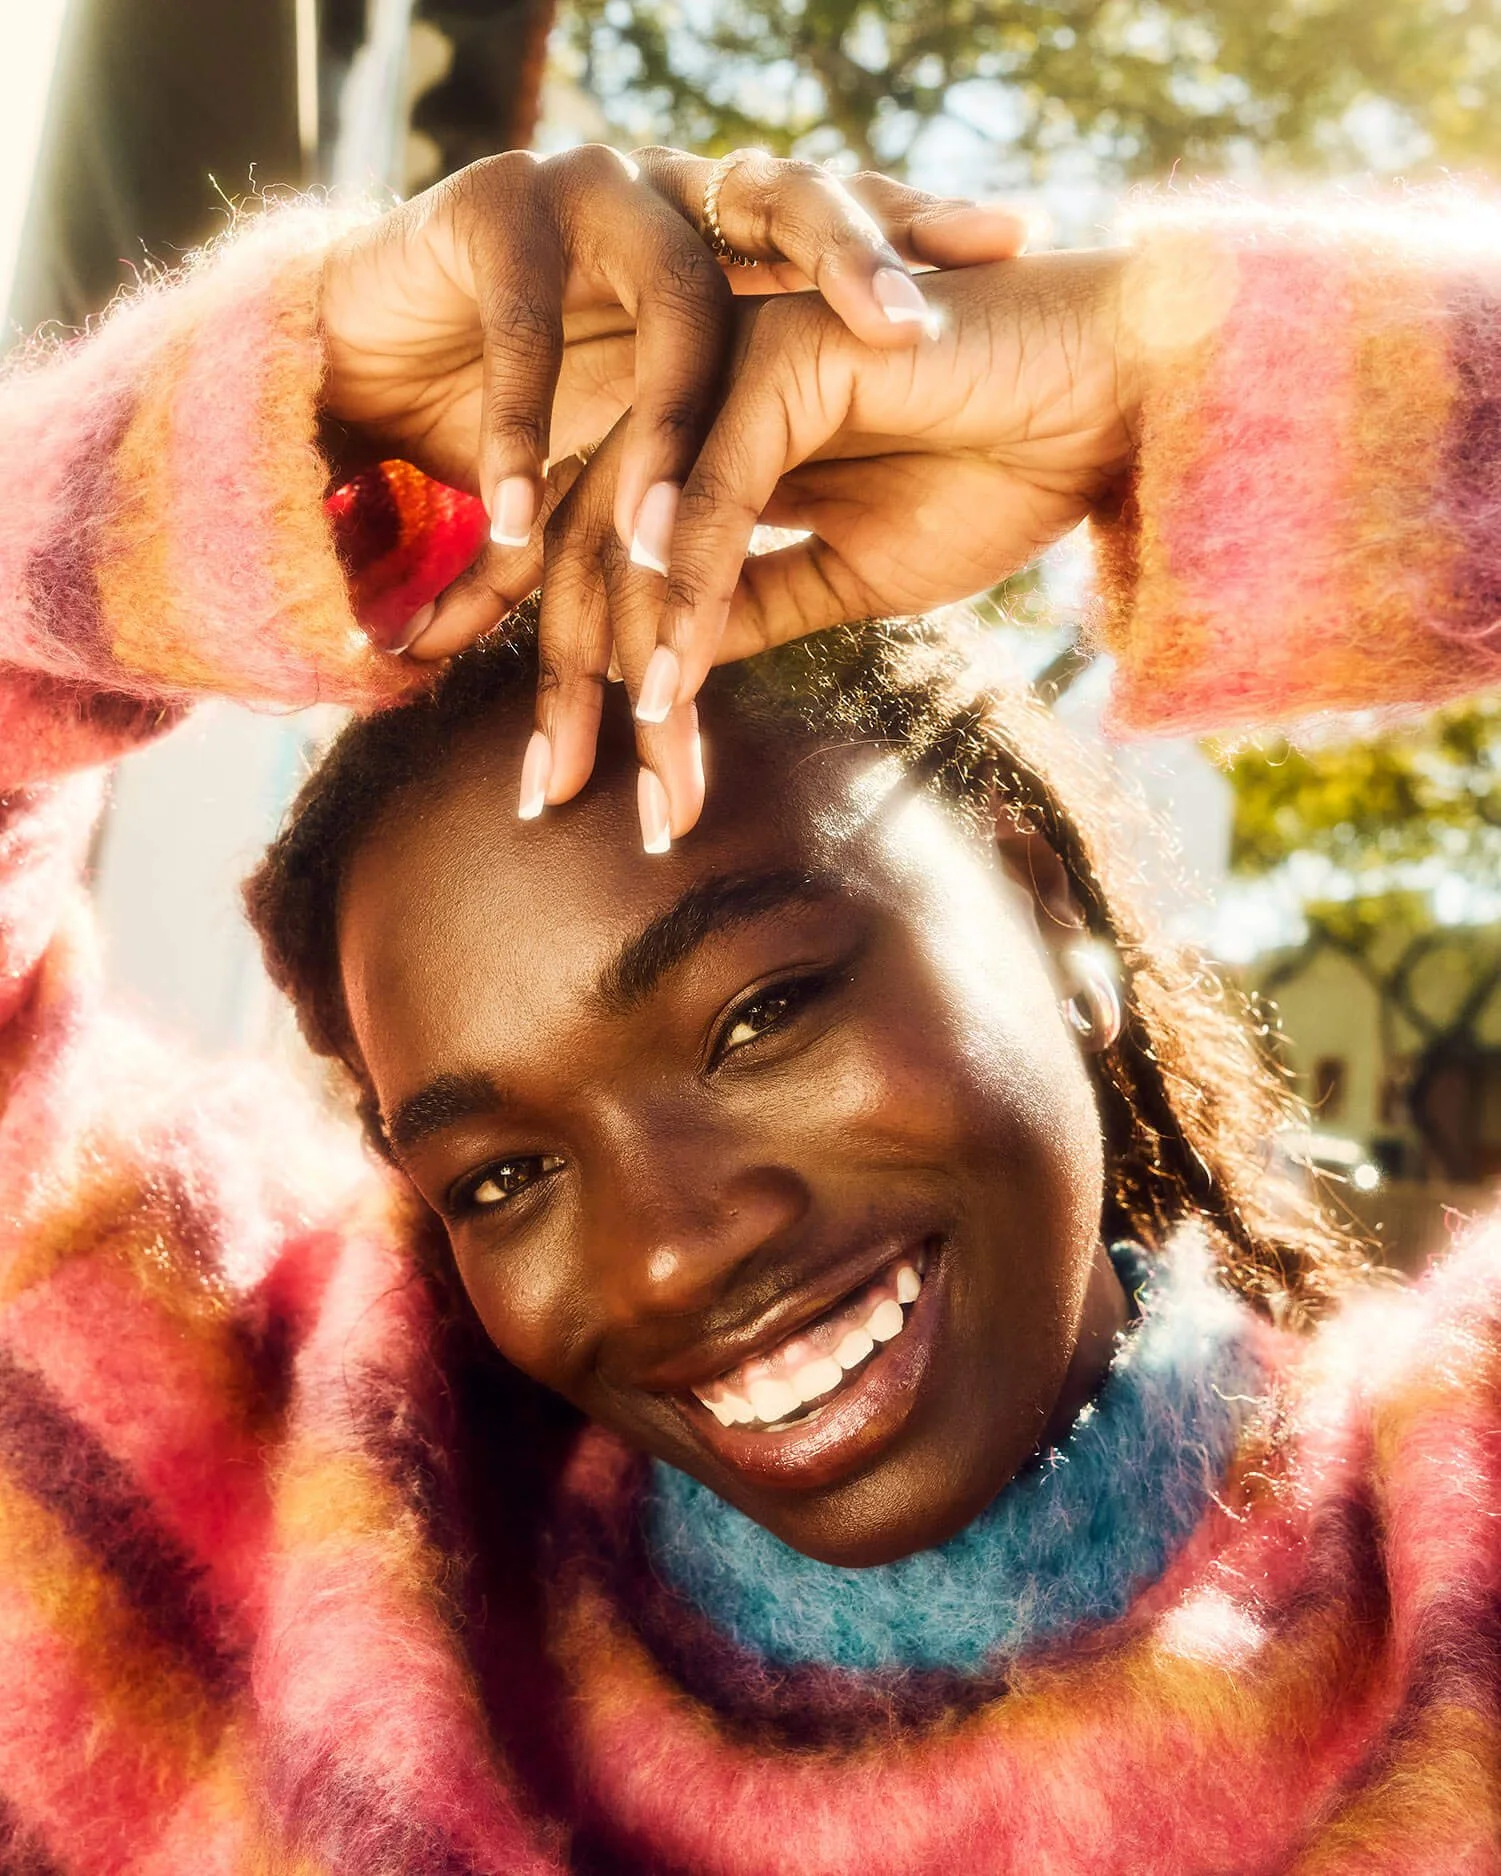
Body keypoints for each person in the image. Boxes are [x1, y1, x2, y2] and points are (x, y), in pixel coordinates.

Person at [0, 140, 1498, 1874]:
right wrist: (304, 414)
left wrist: (1162, 387)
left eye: (762, 1013)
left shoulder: (1447, 1577)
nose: (667, 1254)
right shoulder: (233, 1499)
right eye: (499, 1176)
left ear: (1040, 903)